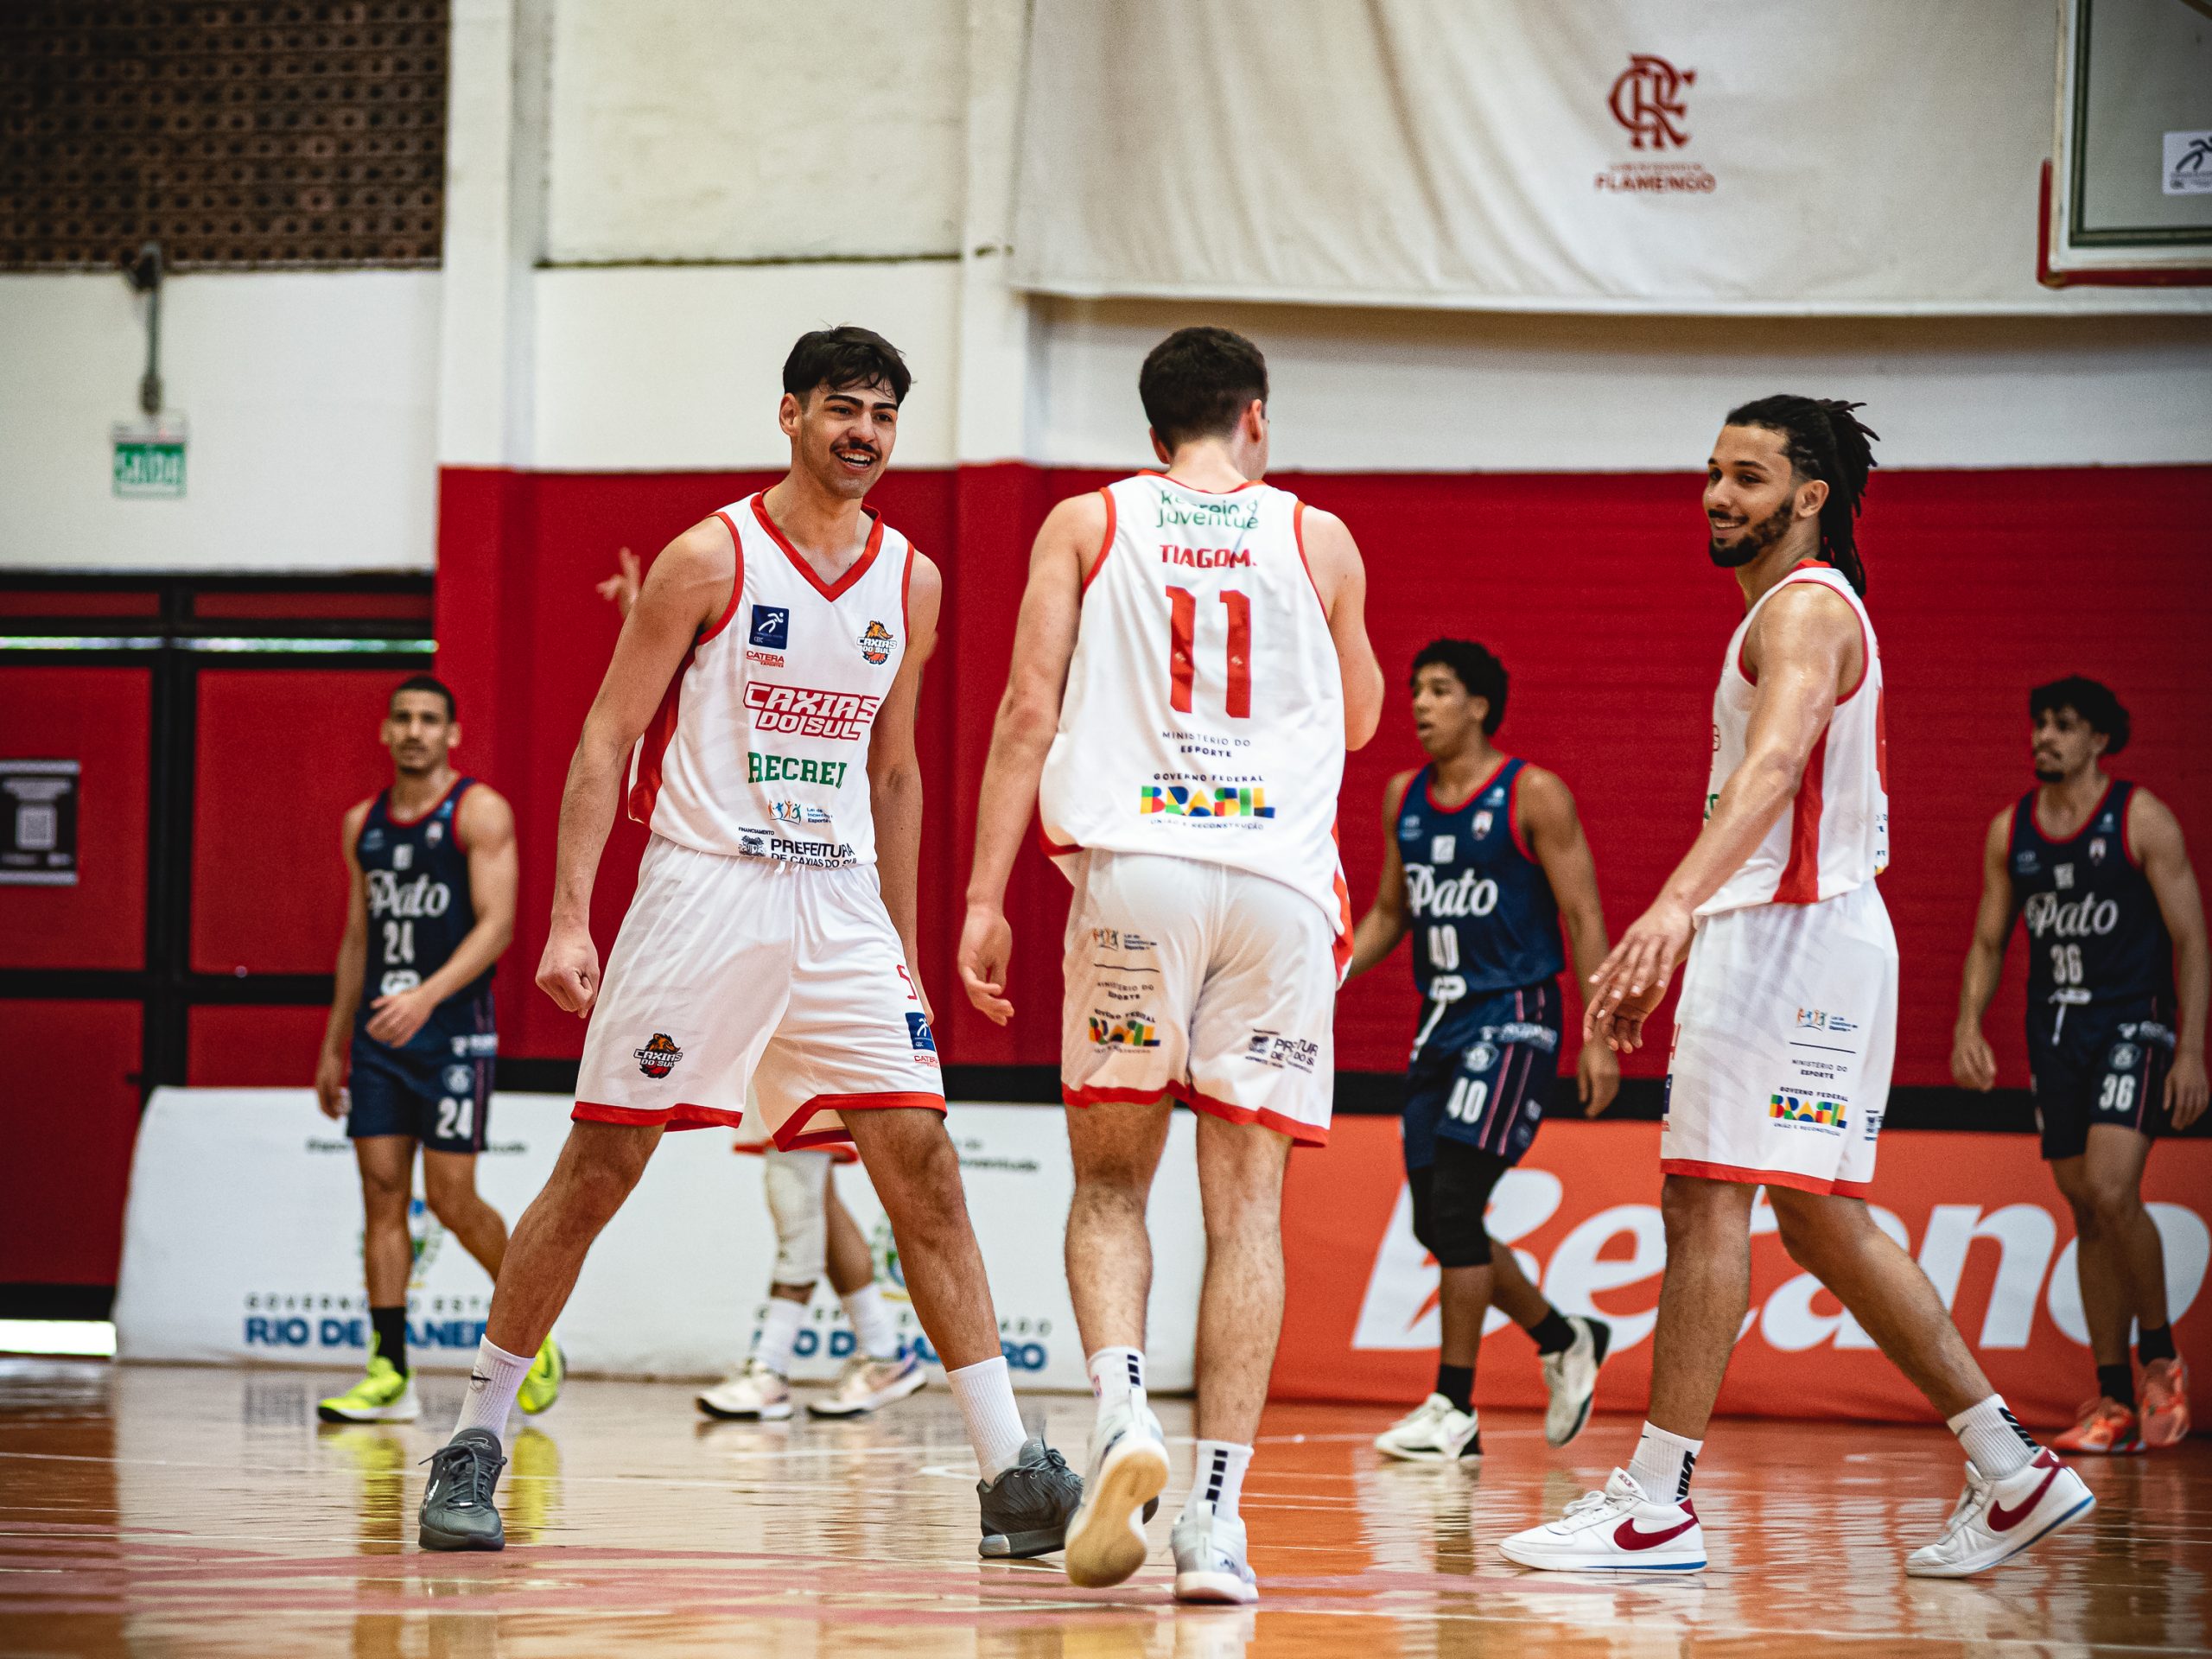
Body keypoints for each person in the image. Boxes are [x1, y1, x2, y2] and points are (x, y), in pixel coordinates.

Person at [416, 327, 1079, 1554]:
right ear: (790, 414)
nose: (864, 432)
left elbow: (894, 772)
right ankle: (475, 1440)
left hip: (839, 905)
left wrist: (902, 947)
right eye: (843, 407)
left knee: (924, 1164)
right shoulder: (706, 557)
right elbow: (606, 736)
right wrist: (569, 914)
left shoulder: (912, 580)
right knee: (600, 1170)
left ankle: (1011, 1472)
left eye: (883, 413)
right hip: (703, 889)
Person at [1499, 396, 2093, 1580]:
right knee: (1820, 1219)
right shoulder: (1801, 607)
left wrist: (1674, 907)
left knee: (1704, 1201)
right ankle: (2014, 1468)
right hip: (1825, 936)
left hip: (1785, 935)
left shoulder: (1806, 608)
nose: (1719, 496)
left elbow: (1774, 765)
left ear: (1810, 498)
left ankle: (1654, 1505)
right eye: (1714, 473)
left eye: (1750, 477)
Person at [959, 326, 1384, 1604]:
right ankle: (1215, 1527)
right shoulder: (1319, 537)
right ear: (1256, 419)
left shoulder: (1088, 524)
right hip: (1276, 889)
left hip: (1138, 871)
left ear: (1152, 433)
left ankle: (1121, 1412)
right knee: (1245, 1213)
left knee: (1109, 1186)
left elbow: (1026, 713)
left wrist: (983, 896)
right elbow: (1363, 718)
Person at [596, 551, 922, 1422]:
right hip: (752, 931)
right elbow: (718, 695)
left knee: (799, 1190)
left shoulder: (878, 602)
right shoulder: (725, 645)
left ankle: (775, 1366)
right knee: (811, 1187)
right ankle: (883, 1351)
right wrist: (643, 615)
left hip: (816, 924)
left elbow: (888, 768)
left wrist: (906, 954)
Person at [1344, 639, 1619, 1462]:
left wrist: (1601, 1035)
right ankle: (1564, 1337)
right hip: (1440, 1022)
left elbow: (1584, 916)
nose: (1420, 704)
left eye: (1439, 690)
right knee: (1436, 1219)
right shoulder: (1403, 796)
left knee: (1457, 1209)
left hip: (1516, 1016)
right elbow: (1390, 914)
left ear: (1480, 706)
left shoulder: (1532, 792)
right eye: (1415, 689)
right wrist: (1321, 977)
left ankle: (1454, 1408)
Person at [1951, 676, 2205, 1452]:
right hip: (2056, 1031)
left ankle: (2160, 1357)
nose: (2045, 737)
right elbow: (1989, 940)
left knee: (2111, 1186)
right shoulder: (2012, 830)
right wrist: (1967, 1025)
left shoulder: (2140, 817)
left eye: (2063, 725)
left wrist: (2192, 1050)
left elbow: (2192, 939)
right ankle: (2114, 1399)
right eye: (2040, 723)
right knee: (2085, 1210)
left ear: (2099, 739)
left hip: (2133, 1022)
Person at [313, 677, 563, 1424]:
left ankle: (533, 1337)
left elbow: (498, 926)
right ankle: (389, 1370)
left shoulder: (478, 811)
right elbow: (358, 937)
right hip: (379, 1038)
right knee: (381, 1194)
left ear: (452, 734)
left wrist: (425, 996)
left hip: (453, 1033)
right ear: (385, 731)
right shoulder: (363, 824)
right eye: (403, 718)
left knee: (452, 1199)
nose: (414, 730)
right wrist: (333, 1043)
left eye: (429, 719)